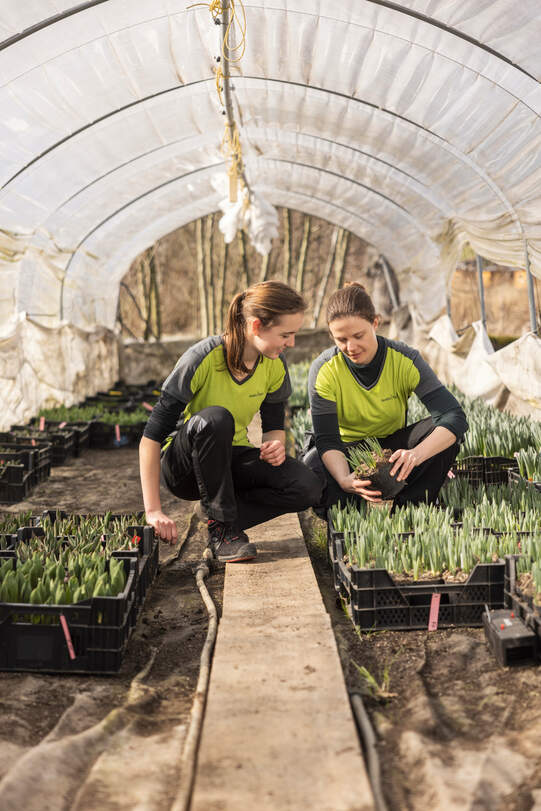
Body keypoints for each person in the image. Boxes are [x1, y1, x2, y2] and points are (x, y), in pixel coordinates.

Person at [139, 280, 323, 562]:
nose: (292, 343)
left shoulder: (274, 364)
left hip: (229, 460)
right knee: (215, 418)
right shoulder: (201, 358)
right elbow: (151, 438)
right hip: (184, 467)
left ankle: (220, 519)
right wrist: (153, 511)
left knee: (307, 485)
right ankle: (222, 530)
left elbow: (274, 425)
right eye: (286, 334)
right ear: (256, 326)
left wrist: (275, 445)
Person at [303, 282, 468, 513]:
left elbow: (454, 416)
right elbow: (327, 439)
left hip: (389, 453)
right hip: (346, 453)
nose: (351, 347)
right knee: (312, 468)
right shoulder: (324, 369)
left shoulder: (404, 358)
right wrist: (343, 479)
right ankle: (349, 514)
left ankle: (410, 510)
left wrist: (415, 455)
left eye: (358, 335)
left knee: (443, 432)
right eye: (341, 339)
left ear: (375, 323)